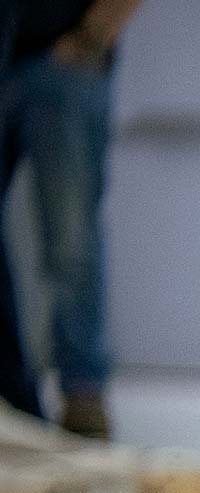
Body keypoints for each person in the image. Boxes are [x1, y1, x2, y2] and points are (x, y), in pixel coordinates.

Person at [2, 0, 142, 437]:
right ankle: (12, 396)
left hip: (64, 59)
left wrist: (91, 37)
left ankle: (83, 397)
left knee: (71, 240)